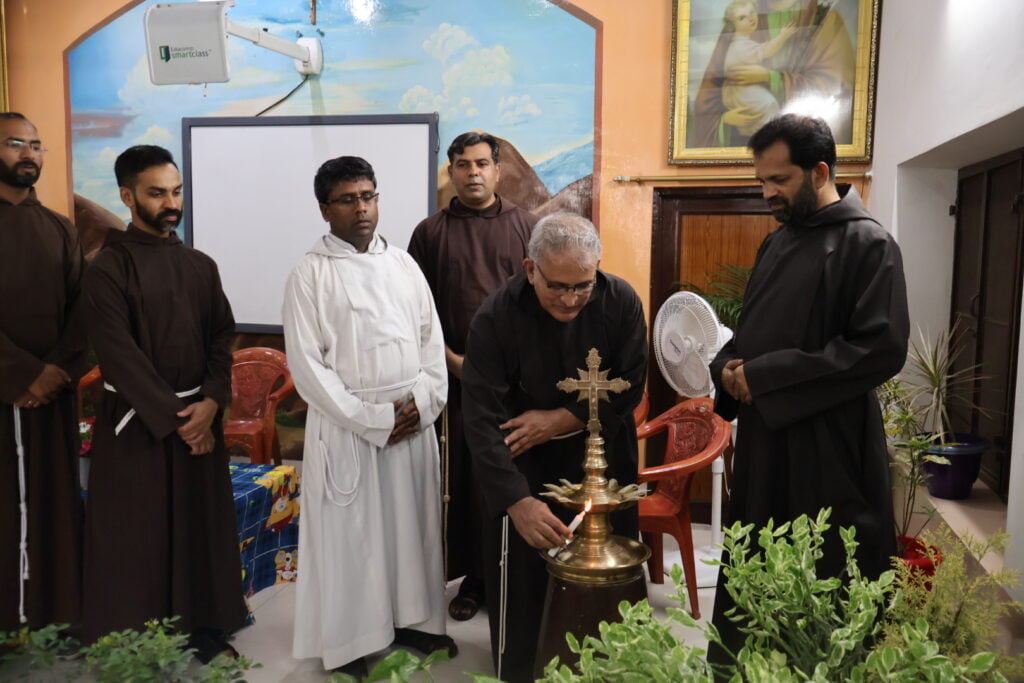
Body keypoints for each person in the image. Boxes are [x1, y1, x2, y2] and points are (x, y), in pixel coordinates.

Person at [707, 114, 908, 664]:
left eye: (780, 180)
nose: (767, 192)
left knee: (826, 584)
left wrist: (764, 377)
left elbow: (879, 349)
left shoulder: (869, 244)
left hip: (830, 451)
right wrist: (727, 367)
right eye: (762, 180)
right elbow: (748, 332)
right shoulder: (776, 245)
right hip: (768, 446)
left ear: (819, 171)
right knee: (755, 576)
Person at [284, 156, 455, 678]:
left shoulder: (404, 265)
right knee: (352, 538)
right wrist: (373, 419)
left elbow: (433, 343)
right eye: (348, 199)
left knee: (412, 529)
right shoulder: (309, 274)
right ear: (324, 209)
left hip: (410, 421)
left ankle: (412, 624)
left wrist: (421, 403)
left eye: (369, 196)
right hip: (350, 429)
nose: (362, 208)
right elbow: (308, 368)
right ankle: (350, 642)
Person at [461, 212, 647, 683]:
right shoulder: (496, 315)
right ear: (530, 270)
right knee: (527, 588)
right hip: (525, 469)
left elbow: (630, 385)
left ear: (597, 268)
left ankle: (615, 672)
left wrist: (559, 420)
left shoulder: (620, 300)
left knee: (610, 581)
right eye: (558, 286)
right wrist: (516, 501)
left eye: (582, 285)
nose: (571, 300)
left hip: (605, 462)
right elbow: (480, 417)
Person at [81, 145, 247, 660]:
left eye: (176, 191)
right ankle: (136, 635)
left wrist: (213, 403)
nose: (171, 203)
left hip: (199, 418)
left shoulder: (200, 265)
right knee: (140, 534)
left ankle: (204, 627)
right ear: (128, 196)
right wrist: (180, 420)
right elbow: (119, 356)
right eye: (157, 193)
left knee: (200, 529)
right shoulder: (107, 269)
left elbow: (223, 337)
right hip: (139, 425)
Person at [407, 131, 537, 621]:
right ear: (451, 172)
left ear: (499, 170)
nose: (473, 172)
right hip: (453, 384)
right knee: (460, 485)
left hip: (514, 389)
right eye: (462, 164)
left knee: (506, 481)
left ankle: (509, 574)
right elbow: (415, 313)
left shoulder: (526, 226)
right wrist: (454, 362)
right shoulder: (429, 233)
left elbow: (539, 308)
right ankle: (471, 580)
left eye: (482, 163)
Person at [0, 112, 88, 632]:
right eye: (15, 144)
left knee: (54, 502)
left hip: (51, 398)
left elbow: (83, 315)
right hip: (7, 392)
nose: (29, 153)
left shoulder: (60, 228)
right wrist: (20, 376)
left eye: (37, 145)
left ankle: (53, 613)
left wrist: (54, 372)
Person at [690, 0, 855, 148]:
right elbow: (709, 95)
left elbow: (836, 90)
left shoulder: (823, 19)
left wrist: (770, 77)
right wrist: (724, 121)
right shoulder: (744, 19)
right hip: (747, 146)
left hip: (799, 149)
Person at [721, 0, 798, 135]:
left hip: (742, 89)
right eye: (742, 18)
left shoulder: (741, 42)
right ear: (732, 26)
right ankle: (767, 135)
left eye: (752, 12)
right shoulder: (741, 46)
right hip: (742, 89)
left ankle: (756, 131)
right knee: (769, 104)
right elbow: (767, 50)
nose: (751, 18)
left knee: (760, 109)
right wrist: (783, 36)